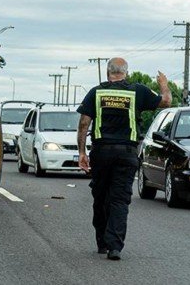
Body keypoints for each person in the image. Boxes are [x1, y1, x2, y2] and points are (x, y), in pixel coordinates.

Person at [76, 57, 171, 260]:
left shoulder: (96, 92)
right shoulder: (138, 91)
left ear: (108, 73)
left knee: (100, 196)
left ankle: (102, 241)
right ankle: (115, 247)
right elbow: (166, 101)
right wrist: (164, 85)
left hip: (101, 153)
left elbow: (84, 123)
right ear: (126, 73)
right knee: (119, 199)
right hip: (126, 153)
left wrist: (82, 152)